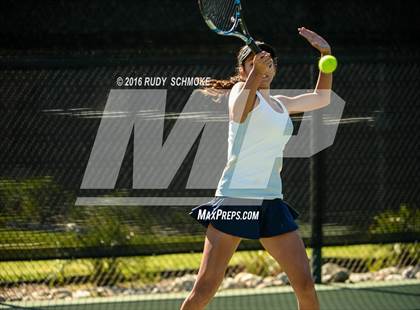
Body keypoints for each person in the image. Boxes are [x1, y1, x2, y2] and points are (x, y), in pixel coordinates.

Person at [181, 27, 332, 310]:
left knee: (306, 287)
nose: (264, 68)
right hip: (236, 197)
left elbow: (321, 98)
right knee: (205, 288)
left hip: (272, 201)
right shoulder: (240, 90)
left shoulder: (281, 104)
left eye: (268, 63)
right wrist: (253, 76)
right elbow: (240, 110)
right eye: (255, 63)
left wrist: (325, 54)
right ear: (242, 69)